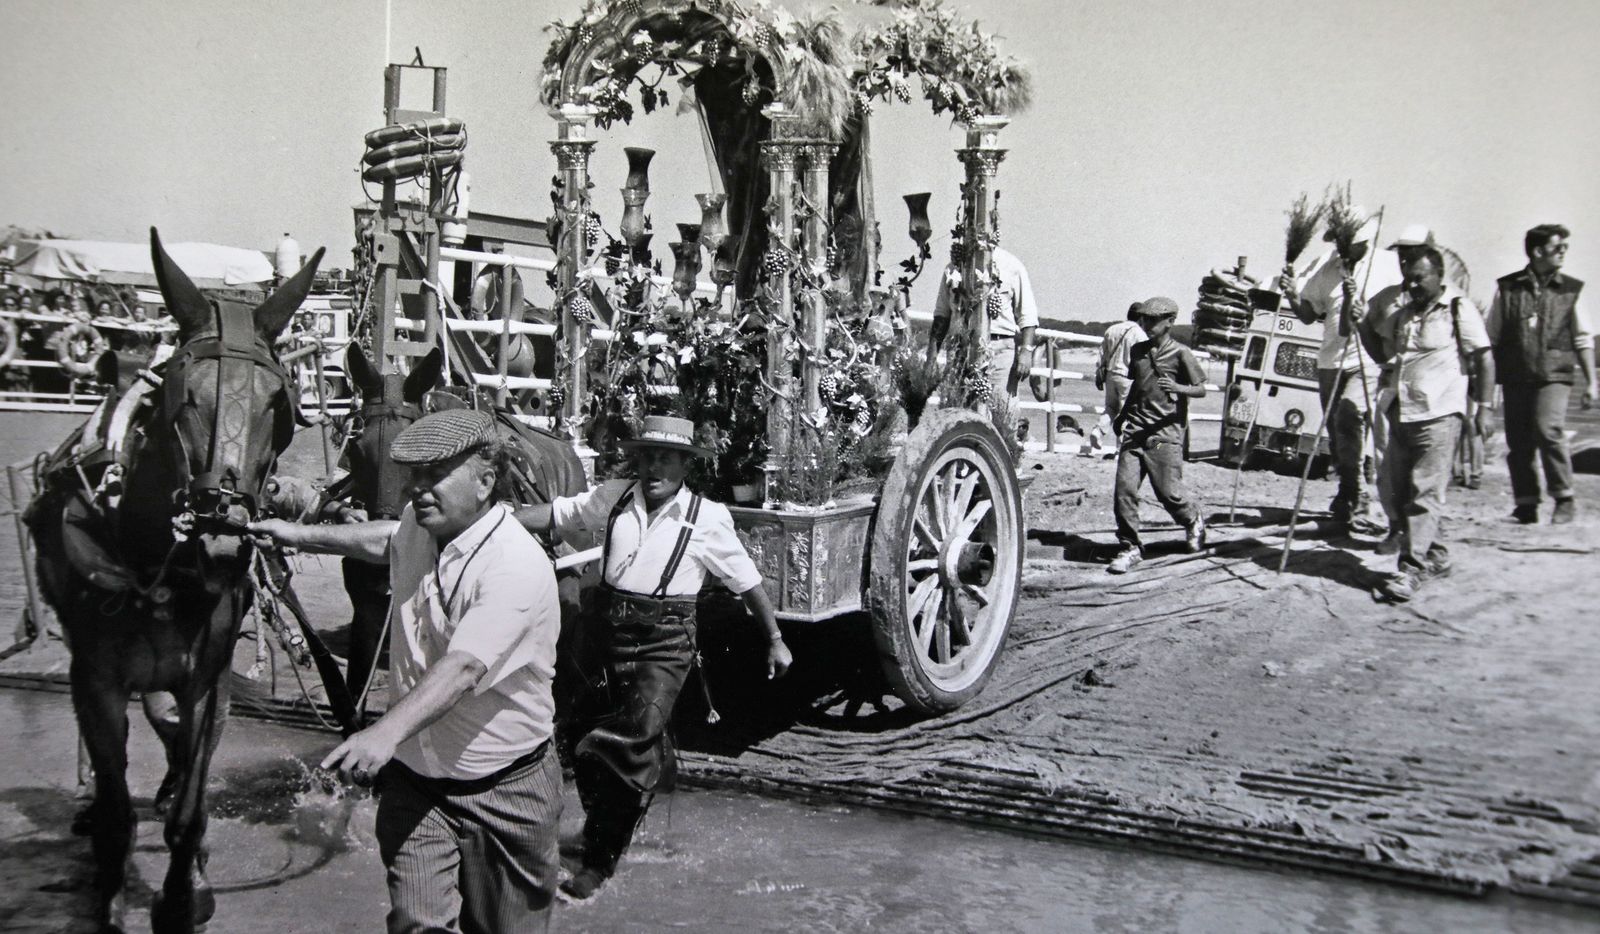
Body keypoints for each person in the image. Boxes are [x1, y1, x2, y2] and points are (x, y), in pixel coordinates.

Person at [249, 409, 565, 932]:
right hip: (418, 784)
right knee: (416, 924)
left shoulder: (516, 565)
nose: (418, 490)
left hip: (507, 790)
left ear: (486, 482)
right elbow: (385, 539)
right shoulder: (423, 528)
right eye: (414, 476)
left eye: (435, 475)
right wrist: (296, 535)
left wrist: (383, 733)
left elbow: (464, 668)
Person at [513, 414, 792, 901]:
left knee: (625, 743)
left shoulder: (707, 518)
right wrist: (492, 523)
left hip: (665, 642)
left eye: (666, 458)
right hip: (604, 635)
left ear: (685, 464)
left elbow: (746, 581)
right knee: (581, 735)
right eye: (648, 456)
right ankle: (606, 824)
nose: (654, 467)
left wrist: (774, 637)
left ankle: (599, 865)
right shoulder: (615, 496)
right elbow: (560, 515)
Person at [1358, 248, 1495, 602]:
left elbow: (1483, 357)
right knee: (1397, 492)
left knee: (1425, 492)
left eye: (1420, 277)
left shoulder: (1458, 308)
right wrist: (1361, 324)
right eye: (1409, 278)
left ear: (1439, 276)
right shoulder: (1405, 314)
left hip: (1440, 415)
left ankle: (1410, 569)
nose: (1413, 284)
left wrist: (1484, 408)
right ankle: (1433, 553)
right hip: (1402, 413)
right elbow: (1381, 356)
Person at [1279, 218, 1398, 535]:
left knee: (1350, 414)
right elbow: (1307, 314)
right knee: (1337, 430)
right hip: (1330, 359)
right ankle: (1348, 491)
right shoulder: (1327, 265)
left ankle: (1360, 497)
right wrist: (1292, 295)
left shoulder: (1387, 264)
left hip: (1367, 356)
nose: (1339, 247)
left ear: (1364, 239)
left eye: (1347, 241)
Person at [1485, 224, 1596, 525]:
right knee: (1519, 441)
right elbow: (1491, 338)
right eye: (1558, 247)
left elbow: (1583, 339)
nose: (1563, 252)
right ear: (1537, 251)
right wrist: (1483, 385)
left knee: (1549, 430)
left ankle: (1564, 498)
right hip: (1516, 375)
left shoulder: (1571, 290)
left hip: (1554, 376)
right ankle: (1526, 503)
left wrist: (1592, 384)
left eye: (1565, 248)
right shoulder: (1507, 288)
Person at [1107, 297, 1208, 574]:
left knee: (1169, 494)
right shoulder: (1138, 351)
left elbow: (1201, 389)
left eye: (1153, 320)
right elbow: (1138, 389)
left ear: (1170, 322)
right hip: (1136, 430)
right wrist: (1123, 416)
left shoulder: (1181, 353)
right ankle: (1129, 547)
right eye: (1144, 319)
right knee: (1124, 491)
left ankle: (1192, 521)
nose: (1146, 324)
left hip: (1165, 434)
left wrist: (1179, 388)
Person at [926, 245, 1040, 402]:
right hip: (960, 350)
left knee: (1001, 410)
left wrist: (1026, 351)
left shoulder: (1012, 265)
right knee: (957, 411)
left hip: (999, 350)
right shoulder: (953, 268)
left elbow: (1027, 314)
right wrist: (931, 358)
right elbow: (942, 315)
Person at [1085, 303, 1148, 457]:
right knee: (1126, 412)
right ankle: (1121, 448)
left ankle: (1098, 431)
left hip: (1110, 374)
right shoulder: (1140, 334)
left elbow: (1101, 355)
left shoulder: (1111, 329)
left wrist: (1100, 373)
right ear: (1141, 317)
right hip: (1128, 376)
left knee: (1110, 407)